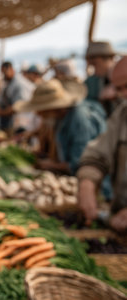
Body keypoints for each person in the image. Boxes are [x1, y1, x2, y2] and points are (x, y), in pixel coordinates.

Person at [77, 56, 127, 233]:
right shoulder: (122, 114)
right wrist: (87, 183)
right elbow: (98, 152)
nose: (123, 94)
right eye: (119, 89)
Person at [13, 79, 105, 175]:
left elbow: (79, 164)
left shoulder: (80, 121)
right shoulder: (60, 118)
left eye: (41, 110)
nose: (39, 114)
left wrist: (49, 165)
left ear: (54, 108)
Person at [0, 61, 35, 132]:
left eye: (4, 73)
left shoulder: (19, 83)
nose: (3, 75)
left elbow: (18, 106)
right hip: (13, 122)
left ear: (11, 69)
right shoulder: (9, 83)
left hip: (23, 122)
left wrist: (0, 112)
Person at [84, 41, 119, 117]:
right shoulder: (95, 80)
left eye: (95, 64)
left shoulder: (122, 76)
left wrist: (118, 92)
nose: (94, 70)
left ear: (108, 59)